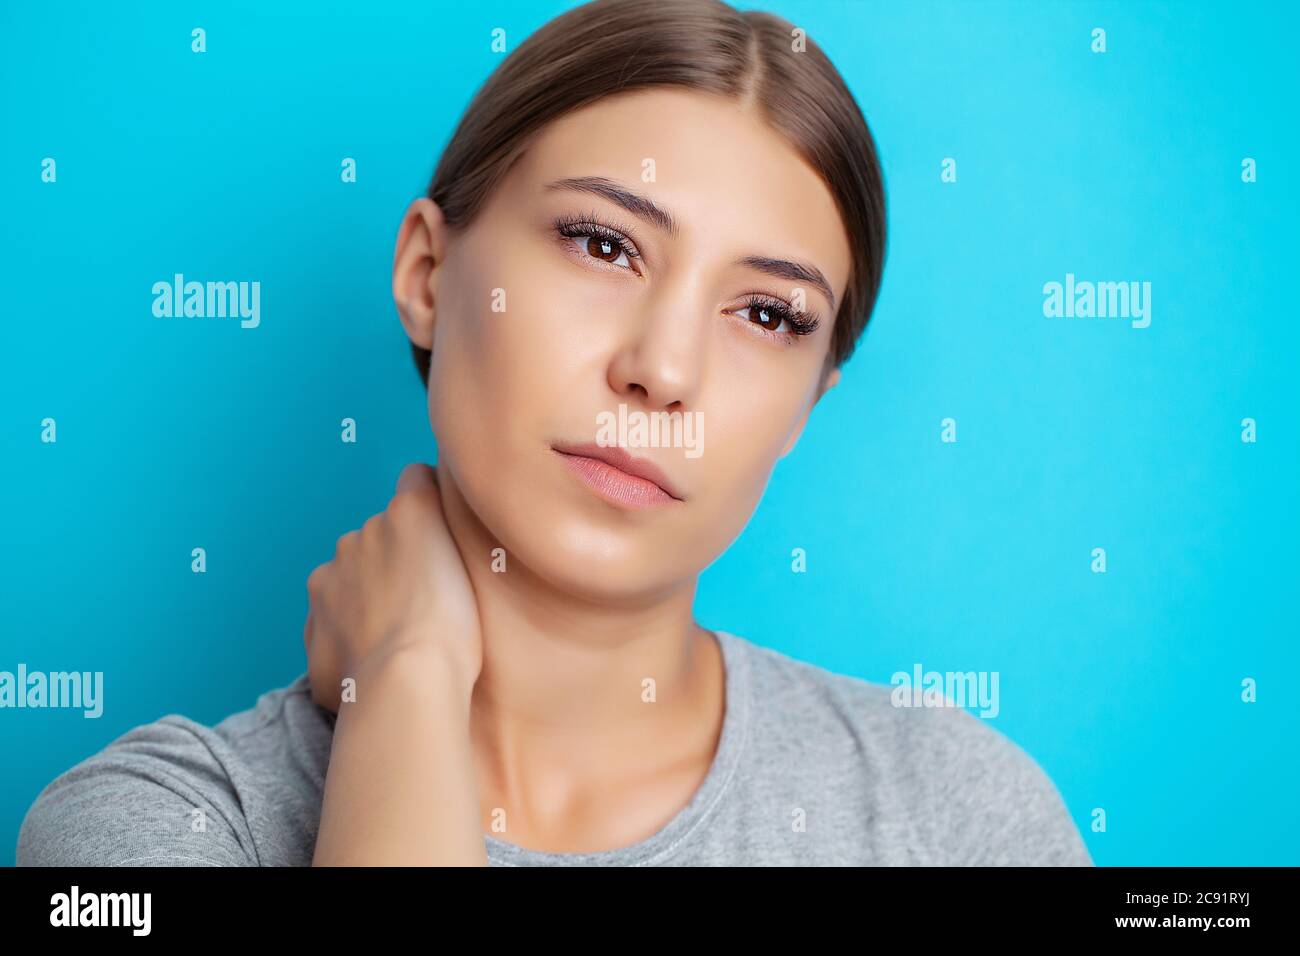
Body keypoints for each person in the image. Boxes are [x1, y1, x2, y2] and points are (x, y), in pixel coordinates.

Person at [16, 0, 1092, 867]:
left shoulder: (957, 817)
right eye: (601, 243)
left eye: (767, 314)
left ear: (808, 403)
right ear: (428, 276)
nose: (661, 370)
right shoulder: (154, 832)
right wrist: (407, 681)